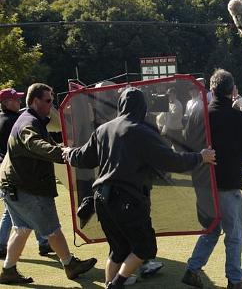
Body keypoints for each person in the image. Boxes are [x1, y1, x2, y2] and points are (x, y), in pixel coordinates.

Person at [63, 87, 216, 289]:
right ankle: (116, 284)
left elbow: (83, 157)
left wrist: (67, 152)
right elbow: (171, 161)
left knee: (118, 250)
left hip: (100, 198)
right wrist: (200, 157)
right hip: (127, 200)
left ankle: (111, 282)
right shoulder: (140, 131)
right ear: (142, 106)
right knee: (145, 248)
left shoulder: (103, 130)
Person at [0, 83, 97, 285]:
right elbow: (34, 143)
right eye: (48, 101)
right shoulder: (28, 122)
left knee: (21, 228)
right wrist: (62, 153)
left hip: (13, 184)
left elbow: (40, 143)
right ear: (36, 101)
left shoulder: (31, 119)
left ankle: (8, 270)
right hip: (26, 186)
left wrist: (61, 148)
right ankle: (70, 264)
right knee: (52, 229)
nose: (51, 105)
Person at [183, 69, 242, 289]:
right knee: (233, 234)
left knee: (211, 229)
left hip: (204, 182)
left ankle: (193, 267)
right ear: (232, 90)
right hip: (228, 182)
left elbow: (187, 144)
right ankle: (235, 280)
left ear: (212, 89)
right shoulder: (238, 116)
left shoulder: (199, 115)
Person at [0, 88, 54, 259]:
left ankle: (41, 243)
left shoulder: (3, 119)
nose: (19, 102)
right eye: (15, 100)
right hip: (17, 173)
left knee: (15, 213)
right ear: (7, 103)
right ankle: (45, 243)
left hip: (6, 172)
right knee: (29, 209)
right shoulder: (17, 121)